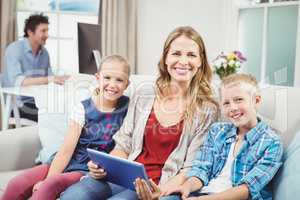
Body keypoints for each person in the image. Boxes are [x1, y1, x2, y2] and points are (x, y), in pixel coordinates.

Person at [60, 26, 218, 200]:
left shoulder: (207, 110)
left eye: (191, 55)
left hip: (163, 185)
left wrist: (161, 191)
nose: (183, 61)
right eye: (176, 53)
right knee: (74, 195)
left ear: (200, 61)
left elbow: (192, 168)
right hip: (127, 178)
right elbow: (123, 143)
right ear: (166, 58)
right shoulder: (144, 94)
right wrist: (105, 166)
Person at [0, 55, 131, 200]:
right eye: (107, 78)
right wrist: (47, 179)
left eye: (119, 80)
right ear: (98, 78)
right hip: (64, 160)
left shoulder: (128, 109)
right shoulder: (83, 109)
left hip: (85, 169)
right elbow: (65, 152)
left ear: (127, 84)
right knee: (16, 184)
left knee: (50, 185)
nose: (112, 84)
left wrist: (47, 183)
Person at [162, 73, 283, 200]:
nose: (233, 108)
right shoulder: (217, 131)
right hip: (201, 193)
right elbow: (202, 169)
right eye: (226, 103)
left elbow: (247, 189)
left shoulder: (272, 143)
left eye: (238, 100)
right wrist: (187, 186)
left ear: (256, 101)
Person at [2, 13, 69, 121]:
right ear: (30, 32)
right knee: (57, 118)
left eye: (47, 30)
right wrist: (50, 79)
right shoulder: (14, 50)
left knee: (68, 112)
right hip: (18, 107)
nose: (47, 34)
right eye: (43, 31)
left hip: (39, 102)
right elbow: (18, 82)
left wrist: (62, 79)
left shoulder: (44, 53)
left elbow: (50, 78)